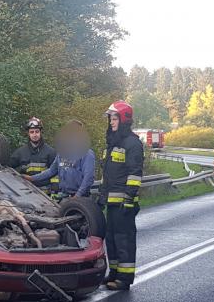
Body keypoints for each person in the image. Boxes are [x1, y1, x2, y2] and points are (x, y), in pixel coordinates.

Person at [101, 101, 143, 291]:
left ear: (124, 119)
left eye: (115, 118)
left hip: (124, 203)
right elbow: (108, 174)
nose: (111, 122)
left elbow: (134, 174)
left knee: (123, 239)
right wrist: (102, 196)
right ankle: (115, 272)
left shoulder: (132, 143)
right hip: (111, 201)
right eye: (110, 118)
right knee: (111, 238)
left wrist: (129, 199)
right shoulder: (113, 142)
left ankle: (124, 278)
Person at [25, 120, 95, 199]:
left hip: (81, 199)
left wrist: (77, 196)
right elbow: (51, 171)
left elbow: (88, 178)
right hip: (65, 197)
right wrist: (32, 178)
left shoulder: (87, 153)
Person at [9, 117, 57, 188]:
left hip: (45, 194)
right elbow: (7, 166)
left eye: (37, 131)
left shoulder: (51, 152)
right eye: (32, 132)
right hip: (25, 191)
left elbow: (55, 174)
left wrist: (54, 190)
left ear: (41, 132)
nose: (34, 135)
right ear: (28, 133)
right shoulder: (20, 152)